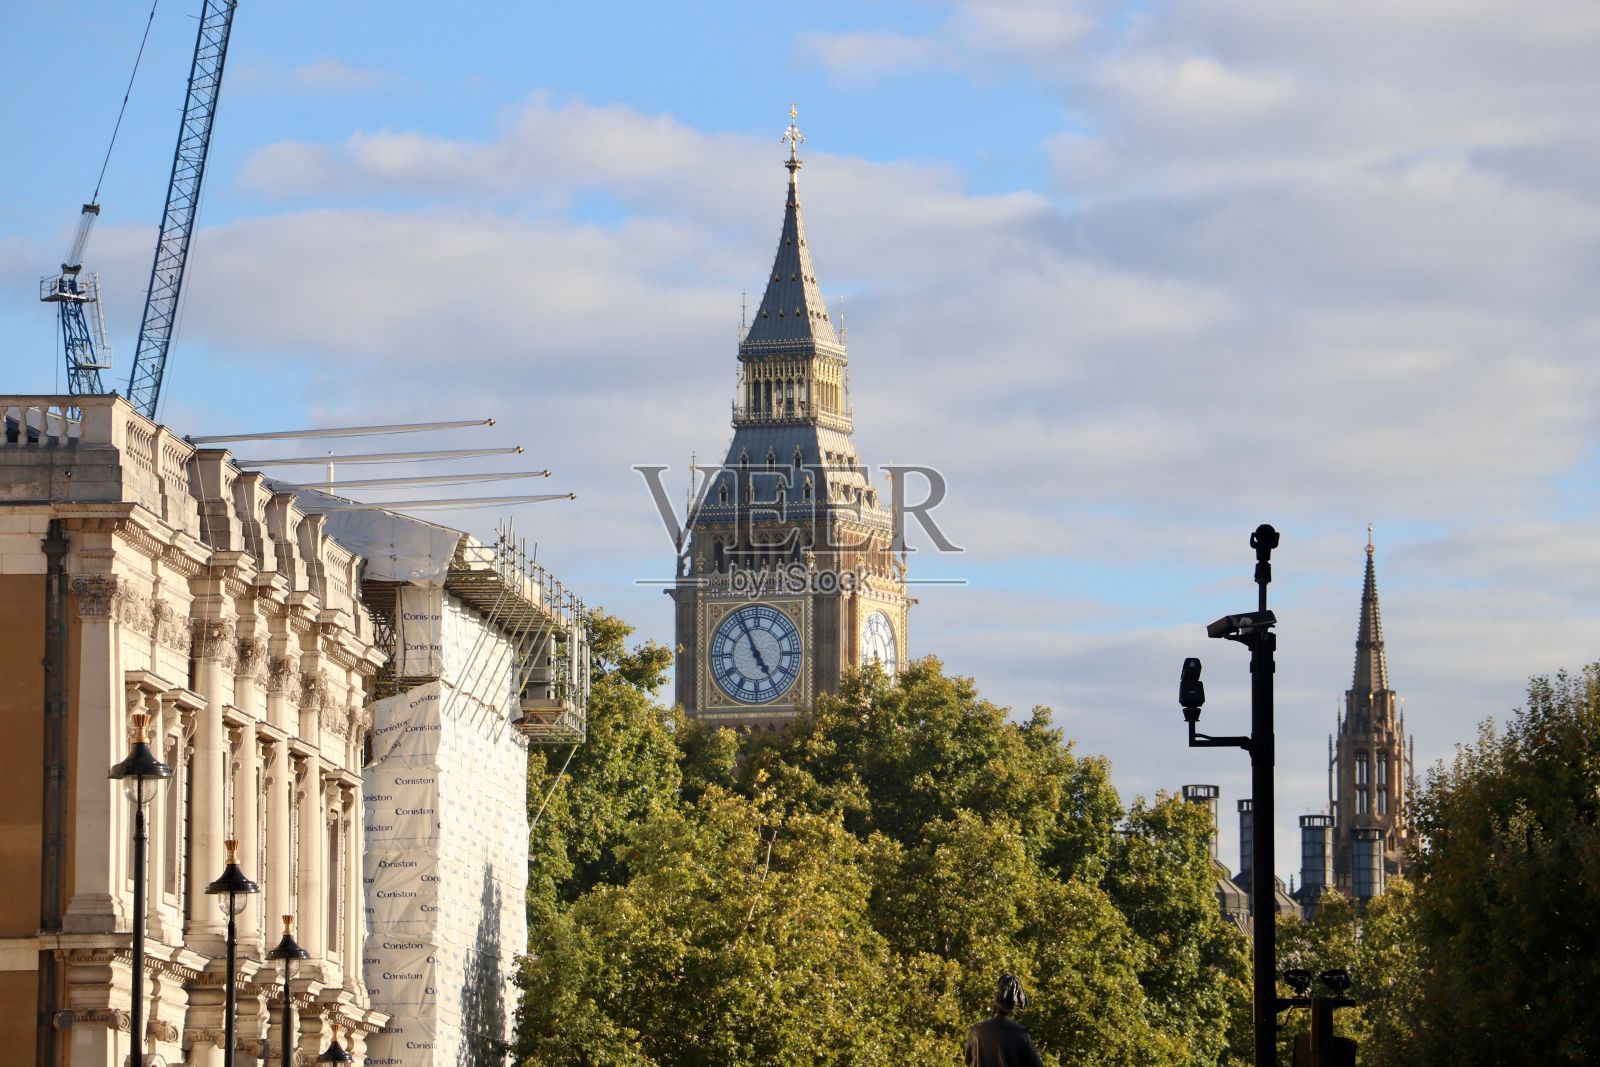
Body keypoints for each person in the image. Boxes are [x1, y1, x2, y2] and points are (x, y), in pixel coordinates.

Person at [964, 973, 1044, 1067]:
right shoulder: (1021, 1034)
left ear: (996, 998)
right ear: (1014, 1004)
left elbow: (968, 1060)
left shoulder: (976, 1031)